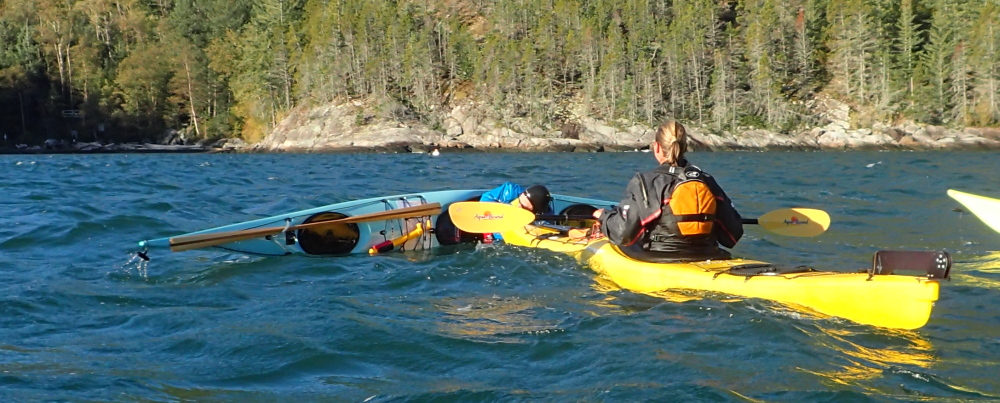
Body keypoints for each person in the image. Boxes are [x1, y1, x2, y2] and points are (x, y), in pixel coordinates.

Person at [593, 121, 743, 261]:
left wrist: (603, 217)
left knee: (621, 243)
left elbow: (623, 234)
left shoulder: (646, 181)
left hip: (661, 257)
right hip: (707, 255)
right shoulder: (707, 180)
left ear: (656, 147)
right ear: (685, 147)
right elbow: (732, 236)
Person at [479, 182, 553, 243]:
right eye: (520, 201)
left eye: (524, 207)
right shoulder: (510, 191)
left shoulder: (546, 218)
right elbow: (485, 199)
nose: (518, 206)